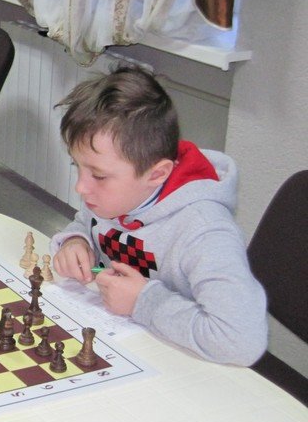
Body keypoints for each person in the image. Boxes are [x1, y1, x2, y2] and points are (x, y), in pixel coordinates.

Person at [50, 65, 267, 366]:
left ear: (157, 174)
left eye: (98, 175)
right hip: (124, 347)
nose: (81, 187)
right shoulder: (113, 196)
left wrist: (144, 302)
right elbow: (87, 223)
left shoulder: (205, 232)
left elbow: (241, 342)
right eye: (77, 166)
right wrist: (76, 241)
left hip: (186, 366)